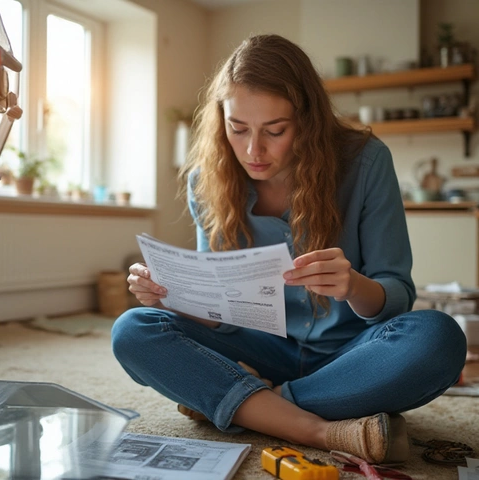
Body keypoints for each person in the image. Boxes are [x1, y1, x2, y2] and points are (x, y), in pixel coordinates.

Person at [111, 34, 466, 465]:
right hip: (255, 351)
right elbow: (220, 315)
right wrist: (174, 295)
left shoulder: (367, 162)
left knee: (438, 337)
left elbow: (396, 297)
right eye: (237, 128)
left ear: (308, 120)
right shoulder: (207, 180)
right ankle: (317, 427)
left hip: (349, 356)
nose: (252, 150)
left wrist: (353, 285)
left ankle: (249, 404)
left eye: (275, 131)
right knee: (133, 329)